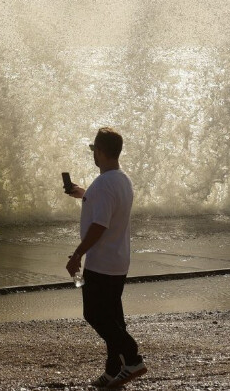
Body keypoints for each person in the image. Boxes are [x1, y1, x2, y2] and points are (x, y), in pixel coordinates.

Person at [65, 128, 147, 388]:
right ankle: (113, 370)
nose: (94, 156)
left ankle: (132, 358)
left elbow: (99, 225)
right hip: (119, 260)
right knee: (113, 317)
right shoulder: (122, 180)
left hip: (101, 263)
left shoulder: (103, 185)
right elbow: (104, 205)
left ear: (100, 151)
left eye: (94, 151)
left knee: (95, 315)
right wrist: (83, 193)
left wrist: (78, 254)